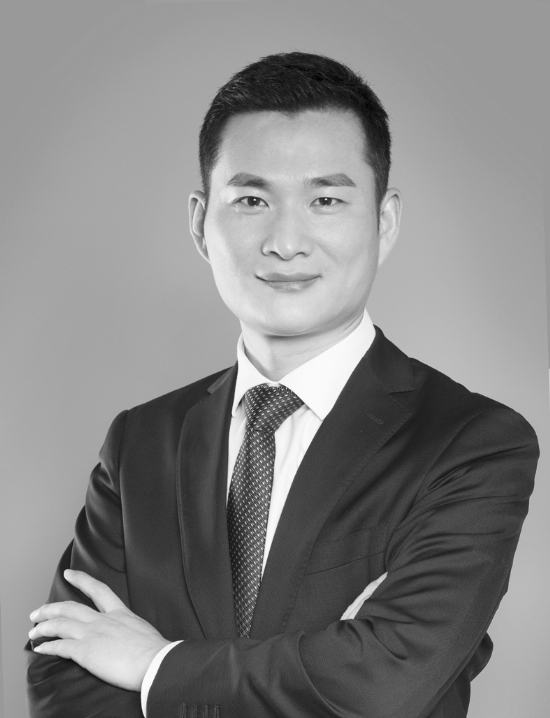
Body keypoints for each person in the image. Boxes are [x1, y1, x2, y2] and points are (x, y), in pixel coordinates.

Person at [25, 52, 539, 718]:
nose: (286, 241)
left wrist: (153, 666)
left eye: (325, 200)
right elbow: (63, 682)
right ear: (199, 224)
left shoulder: (471, 442)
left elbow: (383, 684)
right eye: (252, 200)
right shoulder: (141, 443)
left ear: (384, 221)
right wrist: (325, 660)